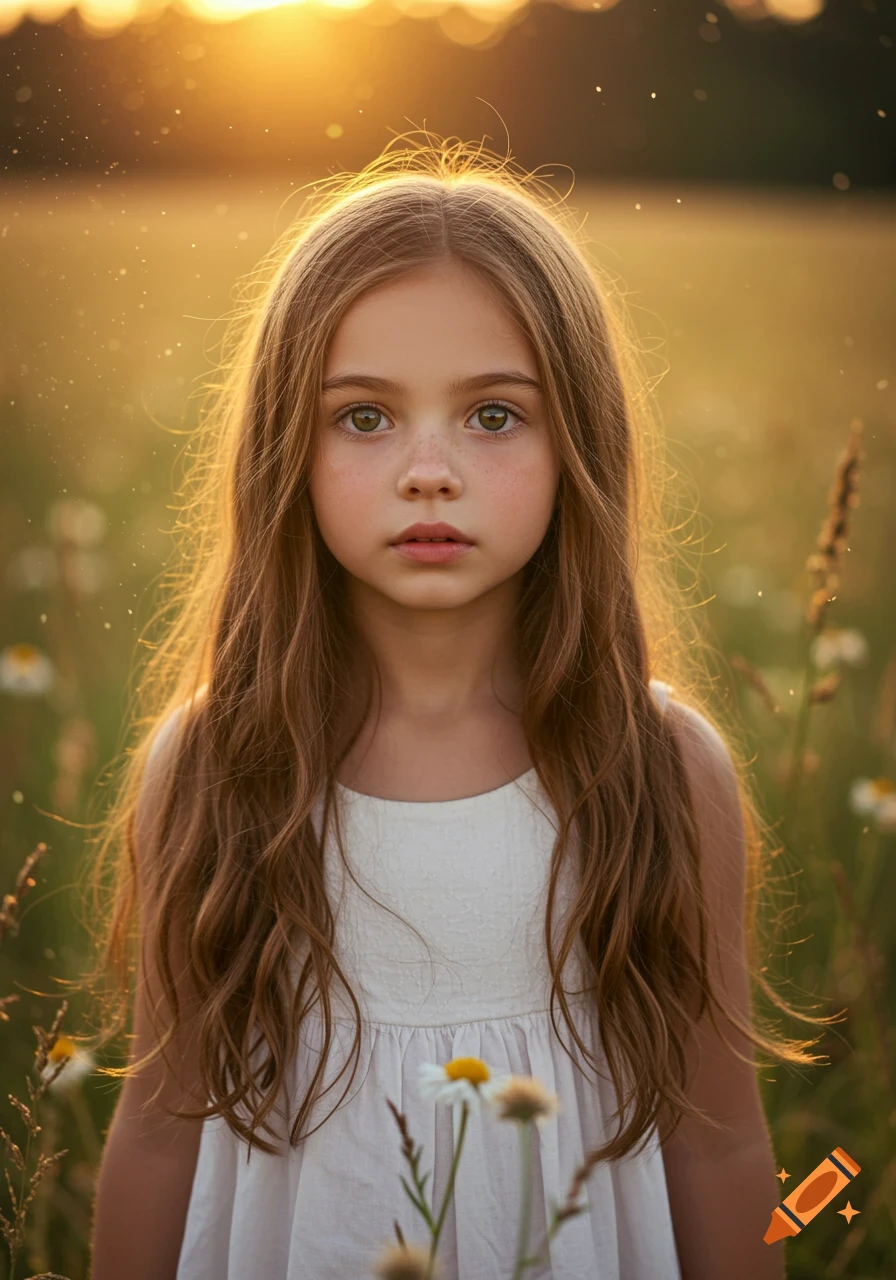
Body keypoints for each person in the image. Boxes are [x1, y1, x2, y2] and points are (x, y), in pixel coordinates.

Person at [86, 136, 830, 1280]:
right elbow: (154, 1124)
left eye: (491, 416)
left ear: (576, 439)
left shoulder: (659, 769)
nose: (426, 469)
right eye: (363, 417)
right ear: (287, 444)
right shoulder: (216, 761)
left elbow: (719, 1140)